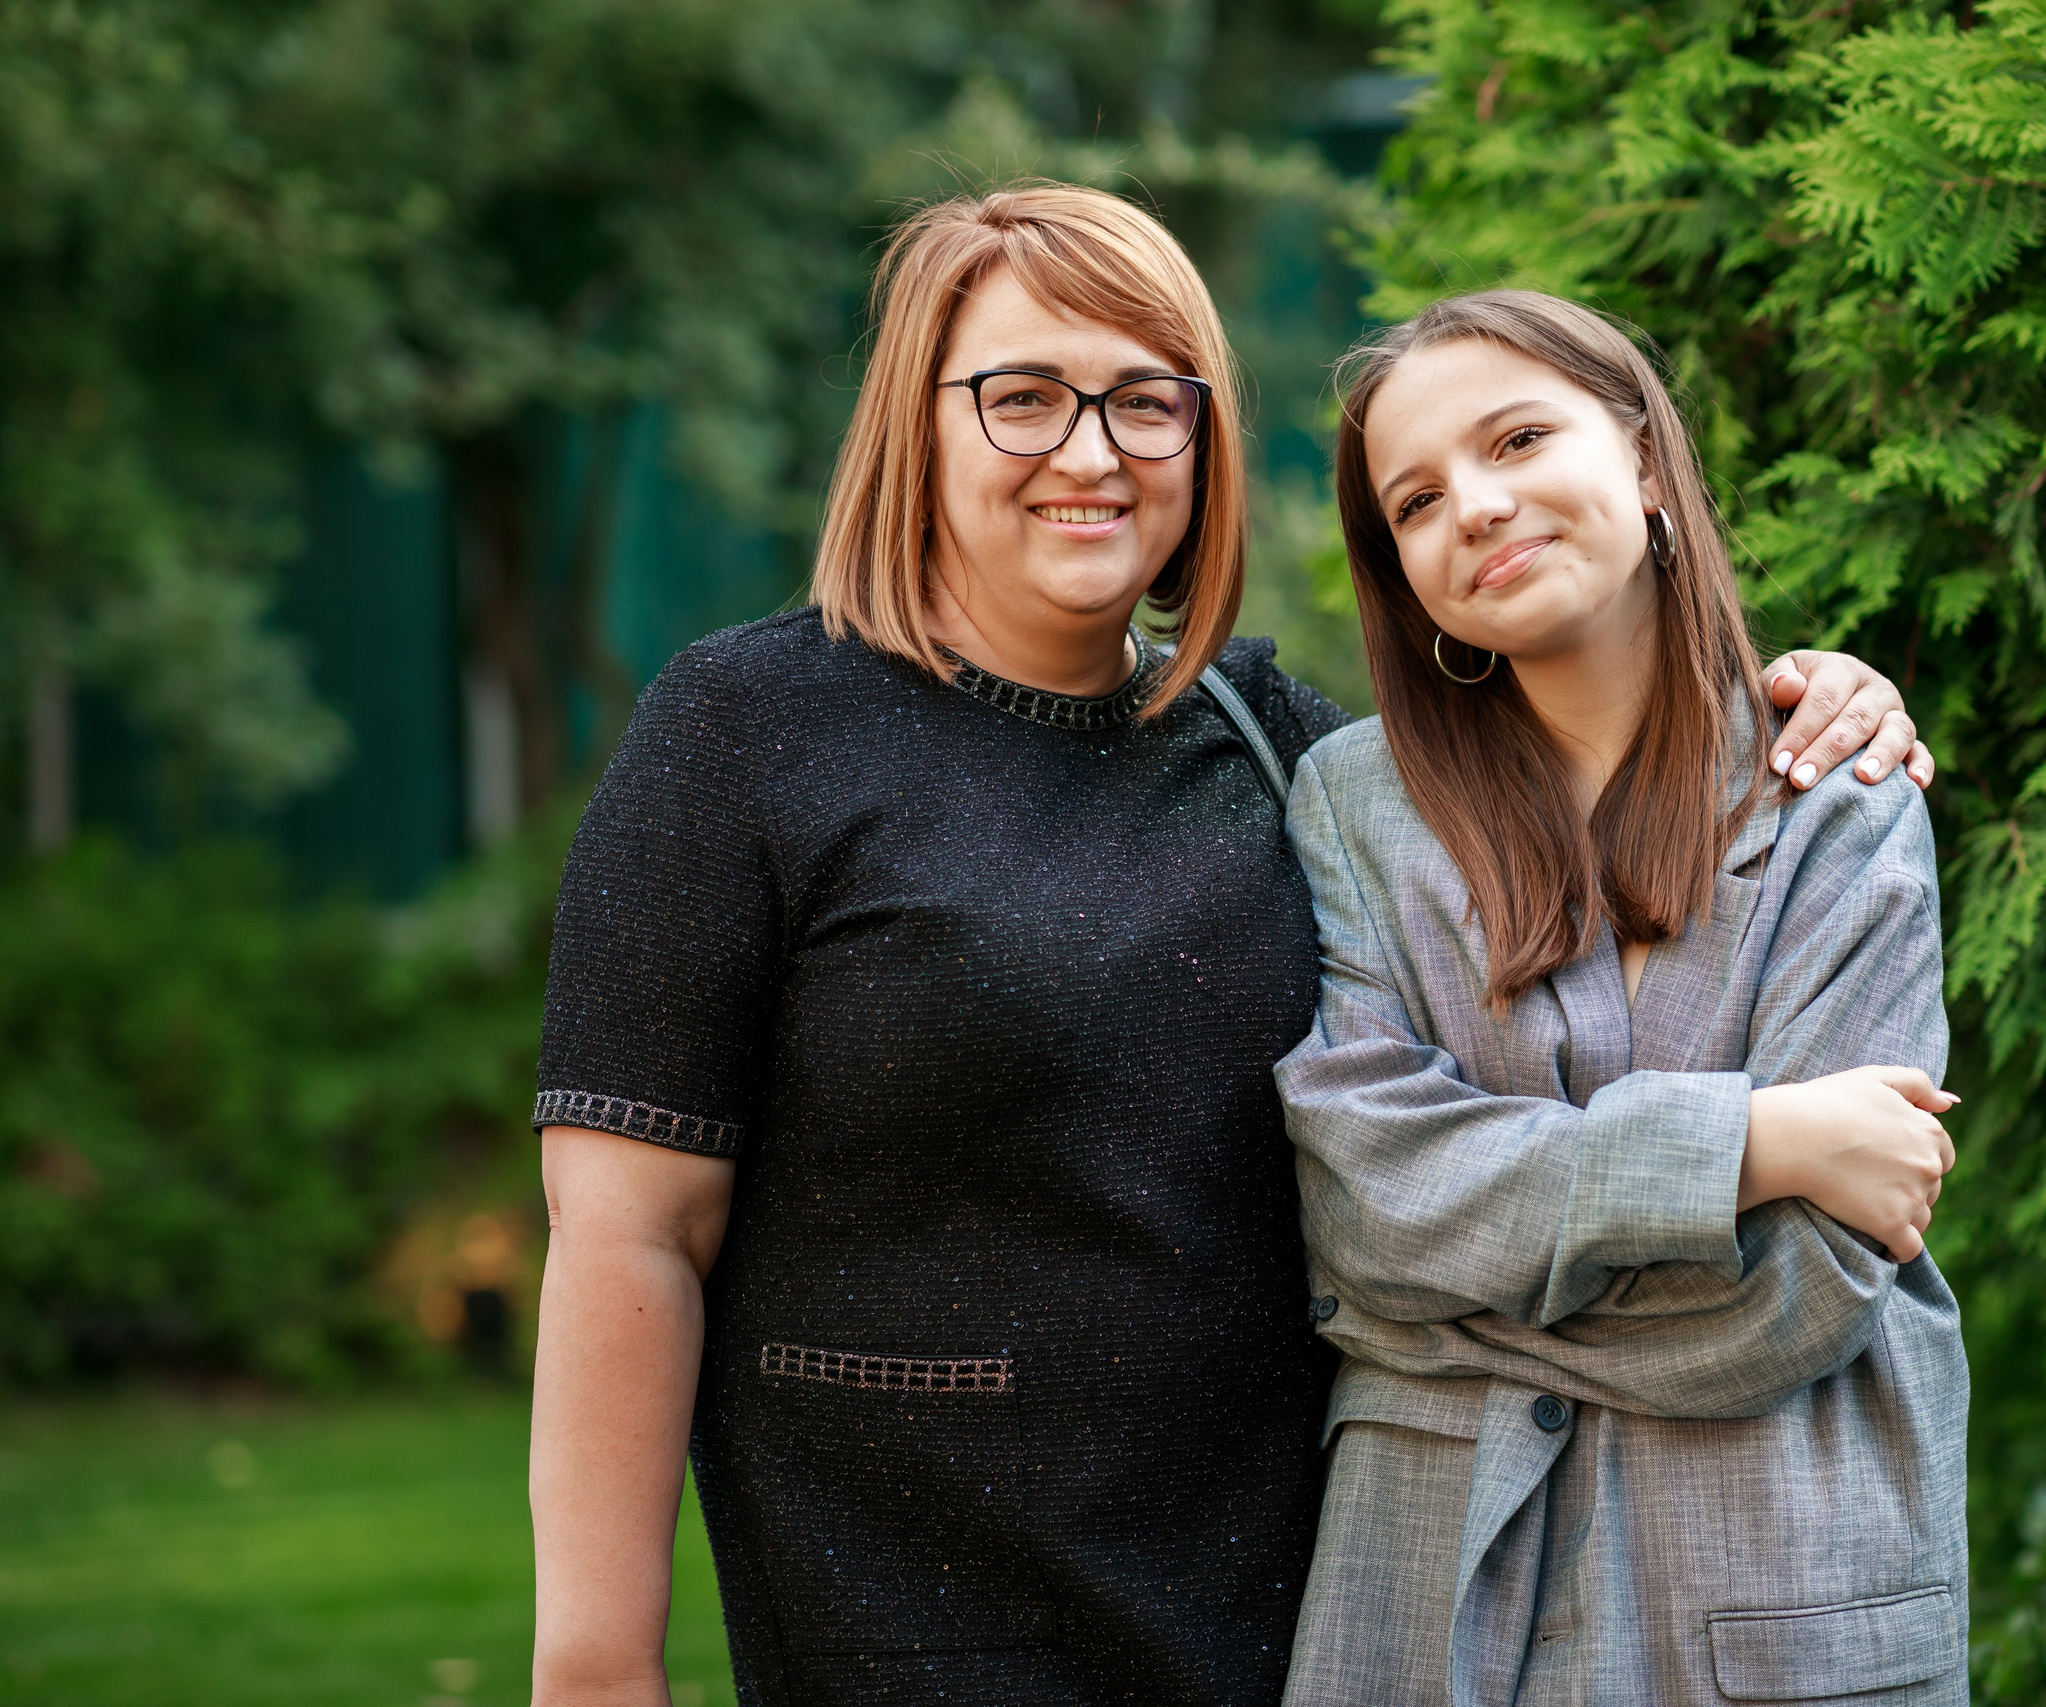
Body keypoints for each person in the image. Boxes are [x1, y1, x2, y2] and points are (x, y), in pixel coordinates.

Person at [525, 186, 1931, 1707]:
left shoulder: (1279, 751)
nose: (1091, 451)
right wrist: (597, 1667)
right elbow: (630, 1235)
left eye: (1148, 402)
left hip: (1295, 1612)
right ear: (913, 425)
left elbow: (1582, 807)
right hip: (908, 1608)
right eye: (1022, 399)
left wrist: (1809, 696)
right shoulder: (747, 731)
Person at [1277, 290, 1968, 1707]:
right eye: (1414, 502)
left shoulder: (1836, 792)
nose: (1472, 507)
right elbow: (1363, 1208)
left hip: (1773, 1589)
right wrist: (1753, 1150)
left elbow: (1812, 1286)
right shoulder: (1354, 808)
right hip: (1425, 1603)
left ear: (1646, 462)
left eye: (1519, 438)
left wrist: (1440, 1305)